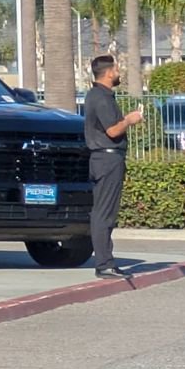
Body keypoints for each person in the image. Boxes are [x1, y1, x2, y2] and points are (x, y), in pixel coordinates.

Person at [82, 55, 143, 277]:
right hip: (106, 159)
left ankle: (107, 261)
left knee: (106, 212)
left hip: (106, 159)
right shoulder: (101, 98)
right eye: (116, 69)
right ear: (108, 72)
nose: (119, 72)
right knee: (103, 213)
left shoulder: (99, 95)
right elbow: (113, 130)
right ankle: (104, 264)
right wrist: (130, 119)